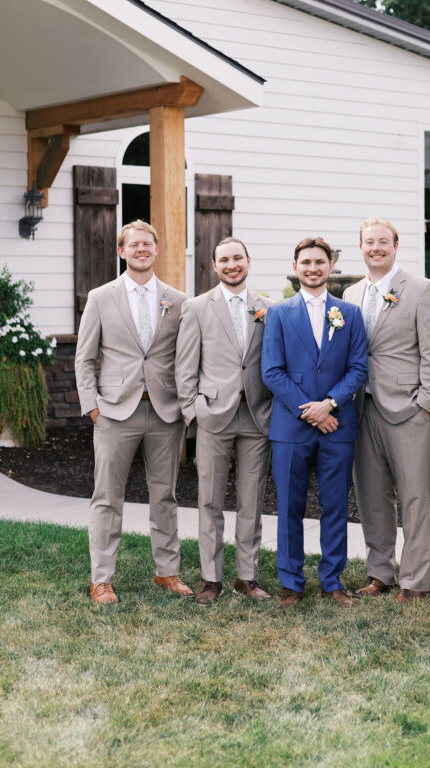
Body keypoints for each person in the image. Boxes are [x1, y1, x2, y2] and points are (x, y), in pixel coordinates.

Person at [75, 220, 190, 605]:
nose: (141, 249)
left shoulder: (177, 300)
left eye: (147, 244)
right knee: (107, 497)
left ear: (156, 250)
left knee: (166, 496)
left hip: (163, 412)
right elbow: (84, 357)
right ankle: (101, 579)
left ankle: (167, 572)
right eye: (133, 244)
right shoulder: (100, 297)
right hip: (114, 412)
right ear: (121, 251)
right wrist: (93, 407)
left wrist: (184, 406)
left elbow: (185, 356)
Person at [261, 237, 368, 608]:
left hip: (337, 426)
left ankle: (332, 580)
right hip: (292, 428)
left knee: (335, 505)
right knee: (289, 505)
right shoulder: (278, 313)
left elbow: (358, 368)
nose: (312, 268)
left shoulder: (349, 314)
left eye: (319, 262)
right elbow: (272, 372)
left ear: (330, 265)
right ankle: (291, 583)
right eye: (305, 262)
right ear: (296, 266)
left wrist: (330, 405)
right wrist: (310, 411)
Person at [344, 218, 430, 602]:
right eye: (369, 242)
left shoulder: (420, 289)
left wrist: (425, 404)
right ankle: (379, 573)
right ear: (361, 247)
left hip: (407, 409)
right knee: (371, 495)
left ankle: (414, 581)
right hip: (360, 408)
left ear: (396, 246)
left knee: (414, 497)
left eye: (383, 242)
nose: (376, 248)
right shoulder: (351, 294)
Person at [176, 237, 272, 604]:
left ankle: (246, 576)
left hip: (256, 414)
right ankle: (211, 578)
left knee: (252, 500)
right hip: (213, 414)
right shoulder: (197, 307)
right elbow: (185, 365)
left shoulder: (268, 308)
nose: (232, 265)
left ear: (249, 260)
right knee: (209, 500)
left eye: (238, 258)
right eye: (224, 260)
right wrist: (192, 411)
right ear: (213, 266)